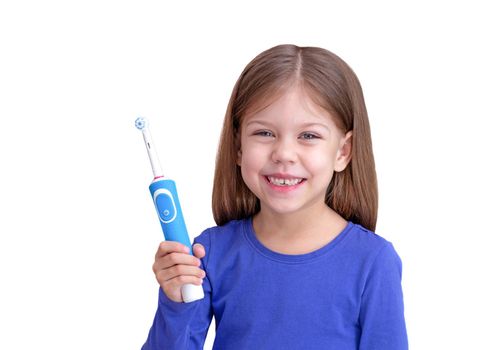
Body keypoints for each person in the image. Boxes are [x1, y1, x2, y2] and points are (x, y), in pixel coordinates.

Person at [142, 44, 408, 349]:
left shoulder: (373, 261)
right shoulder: (210, 253)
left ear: (343, 152)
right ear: (239, 147)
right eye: (264, 133)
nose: (283, 154)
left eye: (309, 136)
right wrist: (176, 302)